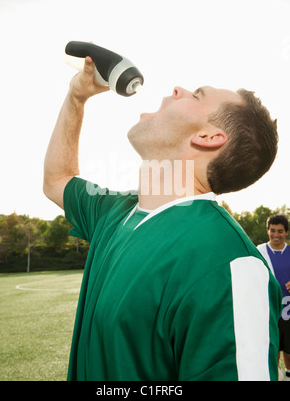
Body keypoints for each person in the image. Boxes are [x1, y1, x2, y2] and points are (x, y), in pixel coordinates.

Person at [43, 54, 282, 381]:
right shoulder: (115, 213)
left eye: (197, 95)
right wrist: (76, 96)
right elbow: (57, 180)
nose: (178, 89)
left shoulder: (231, 264)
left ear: (208, 137)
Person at [258, 215, 290, 381]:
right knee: (273, 350)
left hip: (289, 312)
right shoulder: (259, 251)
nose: (275, 234)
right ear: (267, 230)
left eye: (280, 231)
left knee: (289, 352)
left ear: (286, 232)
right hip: (270, 310)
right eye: (272, 230)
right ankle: (275, 377)